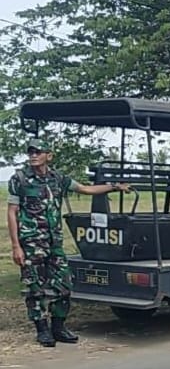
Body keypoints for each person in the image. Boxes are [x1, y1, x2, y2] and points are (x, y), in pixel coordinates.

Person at [7, 138, 130, 347]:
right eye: (30, 152)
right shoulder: (19, 179)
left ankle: (59, 327)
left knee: (64, 285)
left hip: (54, 243)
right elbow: (12, 212)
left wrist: (114, 187)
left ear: (49, 155)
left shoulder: (58, 178)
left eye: (38, 151)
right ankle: (42, 330)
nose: (33, 155)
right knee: (35, 288)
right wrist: (16, 246)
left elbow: (85, 189)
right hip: (31, 243)